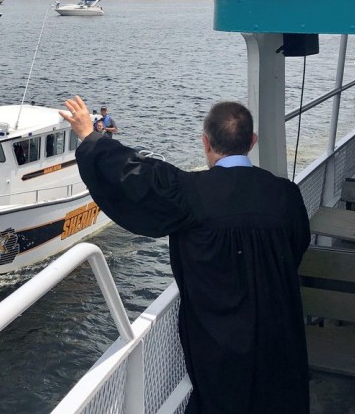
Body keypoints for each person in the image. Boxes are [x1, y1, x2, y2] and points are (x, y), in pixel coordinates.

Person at [60, 96, 310, 414]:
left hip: (218, 335)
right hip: (279, 327)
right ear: (252, 141)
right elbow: (297, 245)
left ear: (206, 142)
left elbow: (136, 172)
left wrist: (90, 137)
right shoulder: (286, 194)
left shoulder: (191, 193)